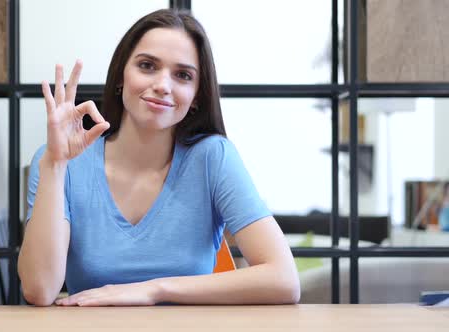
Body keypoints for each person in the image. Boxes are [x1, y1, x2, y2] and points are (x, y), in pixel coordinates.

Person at [18, 9, 300, 307]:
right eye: (147, 65)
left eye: (183, 75)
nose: (164, 85)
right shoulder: (59, 164)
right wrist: (55, 164)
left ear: (196, 96)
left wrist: (154, 289)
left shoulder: (212, 158)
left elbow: (283, 278)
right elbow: (39, 290)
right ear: (120, 78)